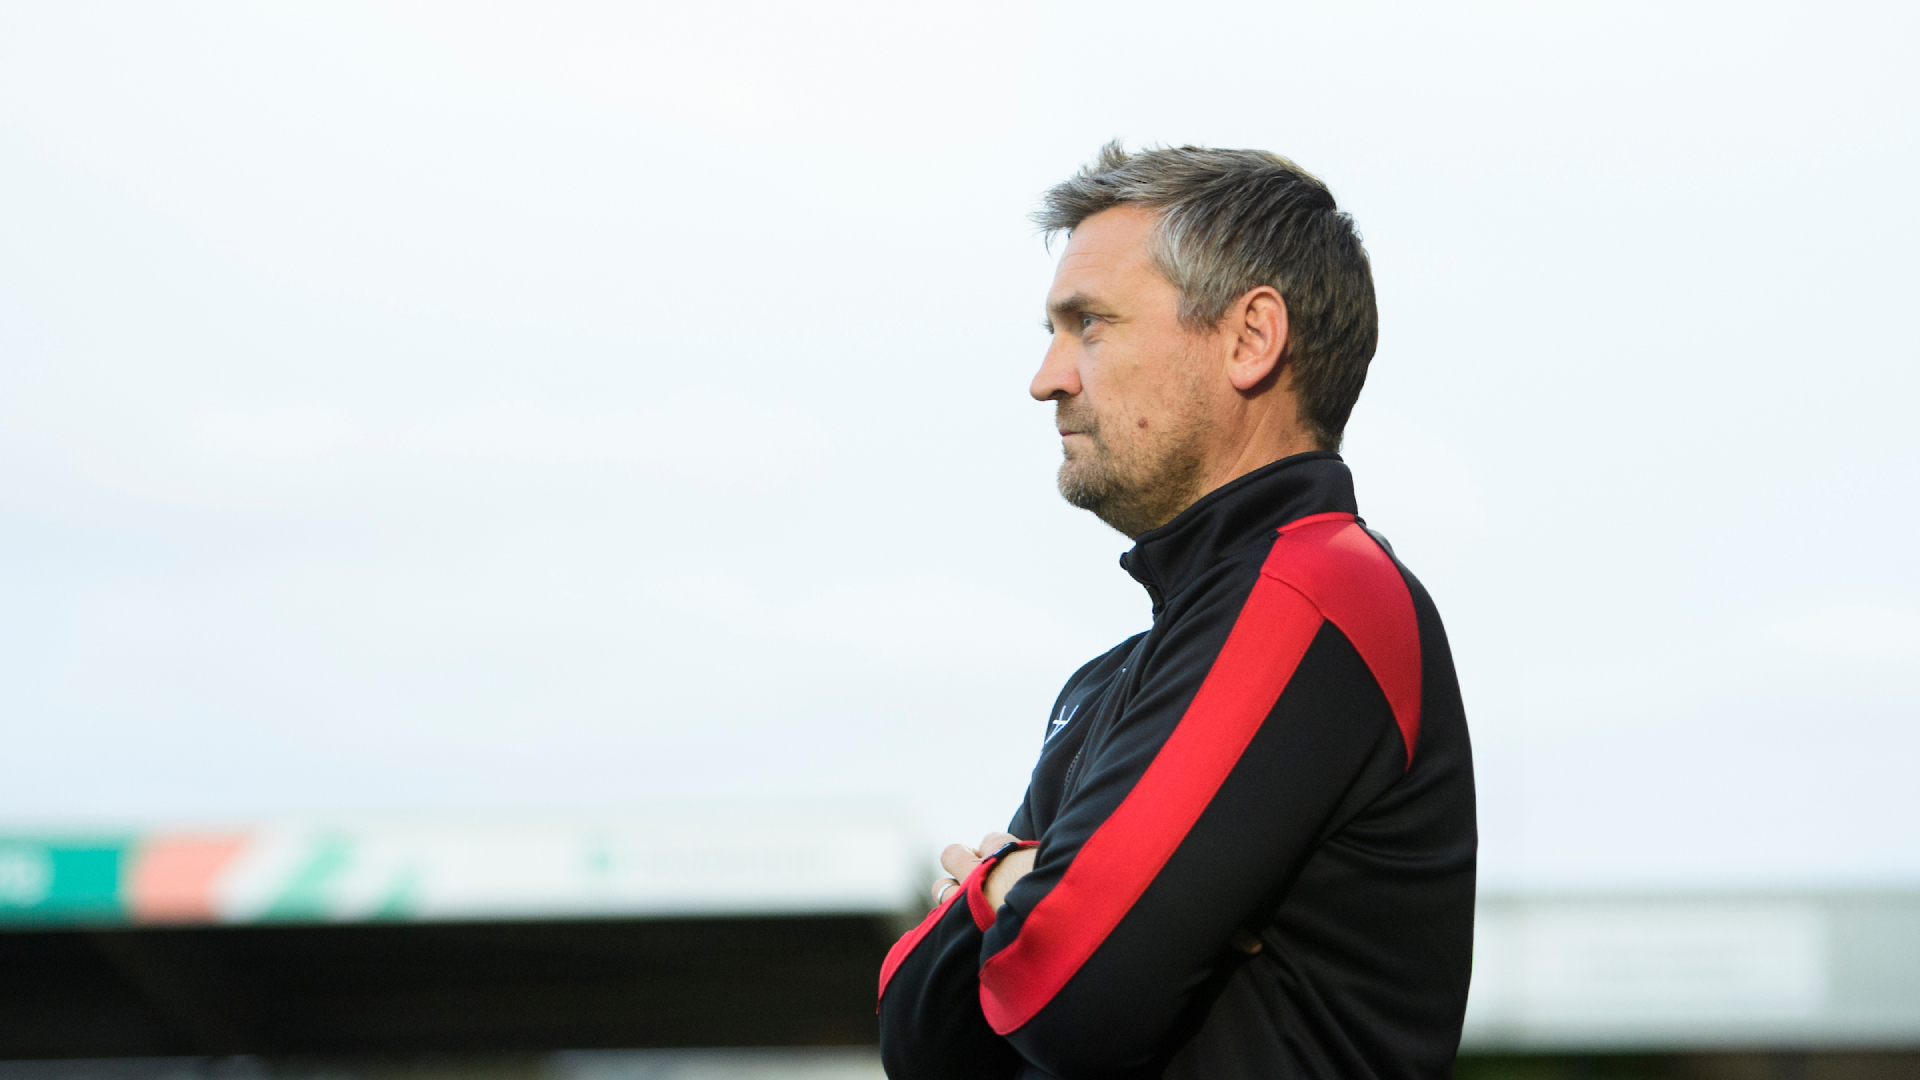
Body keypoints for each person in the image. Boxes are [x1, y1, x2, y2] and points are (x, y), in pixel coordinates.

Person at [875, 142, 1477, 1080]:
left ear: (1250, 339)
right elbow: (921, 1041)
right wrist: (1034, 891)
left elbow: (1060, 987)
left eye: (1089, 324)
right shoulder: (1115, 676)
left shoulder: (1317, 590)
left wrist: (997, 882)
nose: (1048, 377)